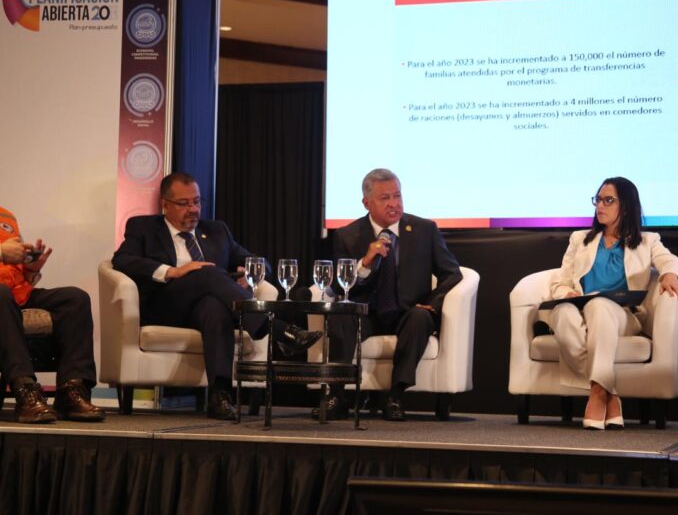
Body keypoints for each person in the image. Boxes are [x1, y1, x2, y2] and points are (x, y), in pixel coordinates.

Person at [112, 172, 321, 421]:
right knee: (207, 272)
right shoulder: (144, 227)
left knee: (214, 307)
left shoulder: (216, 231)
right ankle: (278, 330)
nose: (193, 209)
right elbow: (122, 260)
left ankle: (220, 396)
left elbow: (259, 262)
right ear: (165, 205)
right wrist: (171, 271)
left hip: (205, 310)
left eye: (196, 201)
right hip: (165, 307)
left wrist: (251, 273)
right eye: (184, 203)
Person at [323, 168, 463, 421]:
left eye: (397, 196)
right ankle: (336, 395)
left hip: (406, 313)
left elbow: (452, 273)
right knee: (342, 315)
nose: (394, 204)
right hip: (366, 313)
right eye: (385, 198)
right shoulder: (347, 235)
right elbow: (338, 286)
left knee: (420, 318)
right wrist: (365, 263)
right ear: (367, 203)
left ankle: (395, 396)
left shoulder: (424, 230)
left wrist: (431, 303)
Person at [548, 177, 678, 430]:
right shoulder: (579, 239)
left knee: (599, 305)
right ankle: (607, 391)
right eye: (598, 200)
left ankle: (597, 395)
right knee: (562, 313)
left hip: (622, 316)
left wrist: (669, 273)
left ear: (626, 206)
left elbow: (673, 262)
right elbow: (560, 282)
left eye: (608, 200)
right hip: (580, 310)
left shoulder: (647, 241)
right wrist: (567, 293)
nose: (600, 206)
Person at [0, 207, 105, 423]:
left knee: (74, 299)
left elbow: (16, 276)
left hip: (15, 296)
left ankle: (71, 392)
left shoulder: (6, 215)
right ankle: (25, 391)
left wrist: (31, 269)